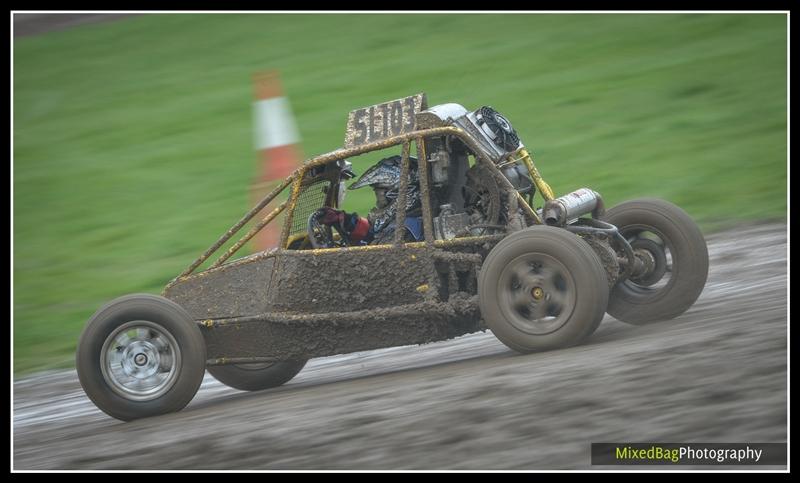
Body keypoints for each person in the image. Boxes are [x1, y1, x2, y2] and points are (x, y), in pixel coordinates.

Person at [315, 155, 424, 245]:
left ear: (401, 191)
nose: (376, 193)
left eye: (380, 189)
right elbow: (370, 232)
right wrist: (344, 220)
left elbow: (373, 258)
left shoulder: (402, 229)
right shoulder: (404, 220)